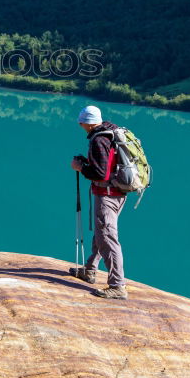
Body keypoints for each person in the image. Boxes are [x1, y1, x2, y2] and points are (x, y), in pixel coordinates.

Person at [69, 105, 129, 299]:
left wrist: (80, 168)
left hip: (107, 195)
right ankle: (89, 270)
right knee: (102, 233)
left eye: (81, 122)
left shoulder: (99, 140)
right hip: (118, 193)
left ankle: (117, 285)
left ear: (85, 123)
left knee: (108, 238)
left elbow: (100, 173)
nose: (80, 125)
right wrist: (87, 161)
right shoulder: (111, 132)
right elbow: (107, 164)